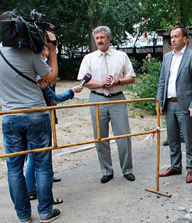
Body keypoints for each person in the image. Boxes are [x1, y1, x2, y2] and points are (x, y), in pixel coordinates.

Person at [0, 11, 60, 223]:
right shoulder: (30, 53)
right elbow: (51, 77)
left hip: (9, 117)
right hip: (36, 115)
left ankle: (23, 215)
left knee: (14, 167)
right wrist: (52, 51)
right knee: (42, 165)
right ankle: (46, 212)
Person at [77, 26, 136, 184]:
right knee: (100, 137)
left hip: (117, 98)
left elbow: (131, 77)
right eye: (97, 38)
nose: (100, 41)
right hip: (97, 99)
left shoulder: (121, 56)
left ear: (109, 38)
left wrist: (117, 82)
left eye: (102, 37)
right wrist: (101, 84)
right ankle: (106, 171)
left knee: (124, 136)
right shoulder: (89, 58)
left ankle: (127, 169)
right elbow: (84, 81)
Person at [157, 26, 192, 183]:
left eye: (176, 36)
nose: (173, 39)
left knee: (189, 138)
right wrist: (159, 102)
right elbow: (162, 81)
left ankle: (191, 169)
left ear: (184, 39)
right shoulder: (167, 57)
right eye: (171, 37)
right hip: (169, 104)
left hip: (185, 105)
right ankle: (175, 166)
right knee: (172, 138)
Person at [26, 80, 84, 202]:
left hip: (22, 116)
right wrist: (72, 91)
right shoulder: (38, 74)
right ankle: (42, 196)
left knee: (30, 156)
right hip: (38, 117)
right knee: (39, 160)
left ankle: (31, 190)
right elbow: (55, 98)